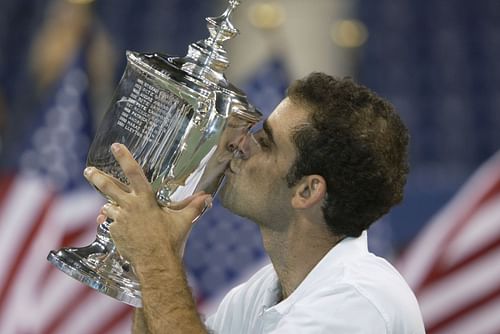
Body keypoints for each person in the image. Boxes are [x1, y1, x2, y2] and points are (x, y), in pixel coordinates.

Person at [84, 73, 425, 333]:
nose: (241, 145)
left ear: (307, 191)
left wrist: (155, 256)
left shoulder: (357, 303)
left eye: (266, 141)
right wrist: (157, 256)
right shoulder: (260, 294)